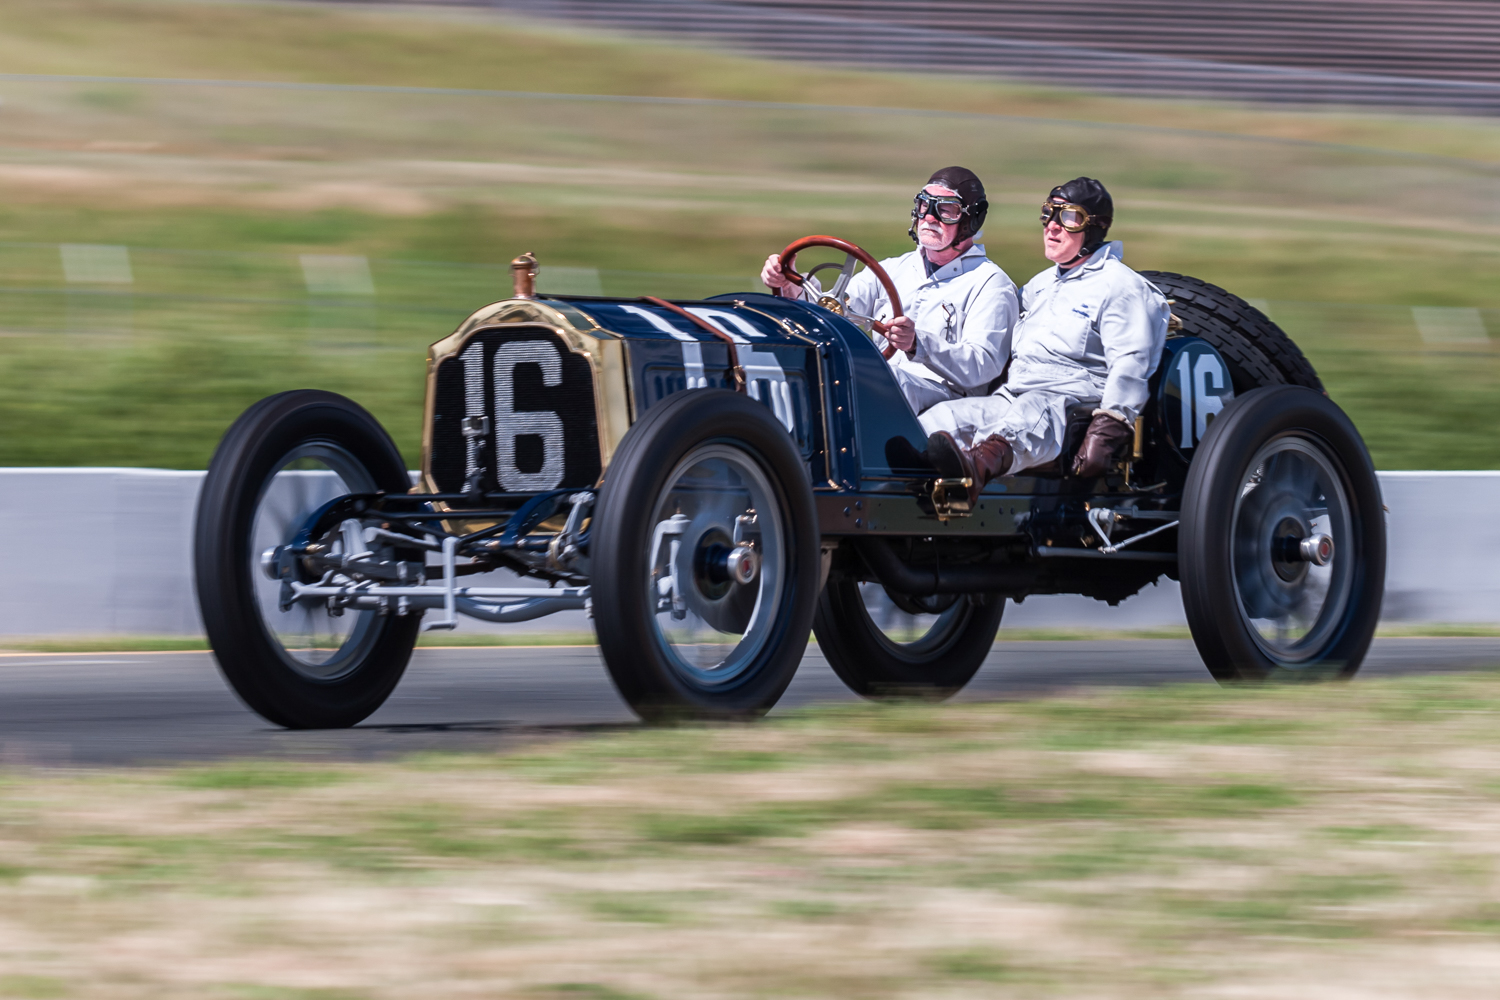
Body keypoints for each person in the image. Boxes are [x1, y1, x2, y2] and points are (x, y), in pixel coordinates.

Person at [920, 177, 1169, 503]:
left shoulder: (1122, 287)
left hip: (1067, 404)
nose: (1051, 227)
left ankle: (970, 475)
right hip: (1010, 396)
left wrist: (1112, 424)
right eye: (1048, 214)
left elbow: (1132, 362)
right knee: (941, 419)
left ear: (1095, 227)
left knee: (1031, 412)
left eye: (1068, 218)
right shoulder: (1040, 286)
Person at [760, 167, 1018, 414]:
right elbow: (834, 310)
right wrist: (790, 285)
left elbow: (982, 366)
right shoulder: (893, 269)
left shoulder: (991, 283)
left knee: (882, 379)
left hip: (948, 397)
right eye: (924, 206)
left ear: (971, 219)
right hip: (883, 380)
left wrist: (918, 343)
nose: (929, 218)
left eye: (946, 211)